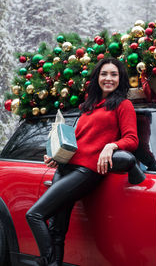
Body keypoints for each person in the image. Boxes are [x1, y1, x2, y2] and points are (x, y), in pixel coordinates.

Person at [26, 57, 139, 266]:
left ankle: (46, 262)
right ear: (97, 77)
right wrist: (56, 157)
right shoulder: (88, 106)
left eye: (114, 74)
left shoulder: (123, 105)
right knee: (56, 229)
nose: (108, 78)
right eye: (104, 74)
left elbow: (132, 139)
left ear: (120, 78)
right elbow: (76, 142)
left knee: (34, 214)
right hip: (66, 167)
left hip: (86, 171)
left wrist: (111, 145)